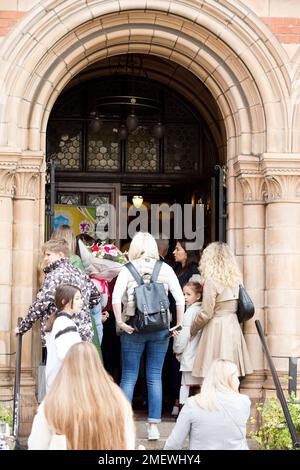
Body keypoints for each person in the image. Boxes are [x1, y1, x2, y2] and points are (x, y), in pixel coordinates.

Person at [112, 232, 185, 441]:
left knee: (129, 376)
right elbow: (179, 299)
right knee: (154, 376)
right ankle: (153, 427)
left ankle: (124, 427)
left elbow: (116, 297)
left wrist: (119, 322)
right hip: (160, 329)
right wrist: (177, 324)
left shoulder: (127, 269)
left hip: (133, 327)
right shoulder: (166, 268)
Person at [28, 342, 135, 450]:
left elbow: (36, 445)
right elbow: (128, 443)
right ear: (98, 366)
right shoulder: (118, 401)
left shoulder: (52, 403)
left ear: (66, 367)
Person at [15, 239, 101, 344]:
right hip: (82, 334)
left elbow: (41, 304)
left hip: (60, 333)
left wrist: (23, 327)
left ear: (60, 255)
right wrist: (81, 310)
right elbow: (96, 297)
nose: (45, 258)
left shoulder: (55, 275)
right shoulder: (80, 273)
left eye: (48, 254)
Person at [191, 242, 253, 379]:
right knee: (230, 375)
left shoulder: (211, 281)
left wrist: (192, 328)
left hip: (216, 328)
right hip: (233, 326)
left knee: (214, 375)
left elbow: (206, 313)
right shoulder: (236, 280)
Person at [164, 359, 251, 450]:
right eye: (236, 377)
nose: (238, 381)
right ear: (230, 379)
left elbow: (174, 444)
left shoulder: (193, 404)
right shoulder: (244, 402)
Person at [169, 239, 201, 416]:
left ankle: (181, 405)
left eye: (178, 249)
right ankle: (177, 402)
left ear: (188, 252)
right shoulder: (177, 270)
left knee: (182, 366)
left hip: (185, 322)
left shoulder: (194, 272)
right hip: (176, 320)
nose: (174, 252)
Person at [44, 285, 82, 391]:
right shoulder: (65, 323)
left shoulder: (58, 321)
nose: (81, 302)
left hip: (57, 382)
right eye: (77, 298)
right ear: (64, 301)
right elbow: (65, 355)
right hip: (64, 384)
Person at [173, 282, 203, 406]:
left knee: (185, 385)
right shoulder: (201, 310)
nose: (185, 297)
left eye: (188, 294)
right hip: (200, 354)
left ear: (198, 296)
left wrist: (177, 349)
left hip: (189, 353)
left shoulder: (189, 313)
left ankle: (182, 408)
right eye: (184, 294)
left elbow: (183, 336)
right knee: (201, 386)